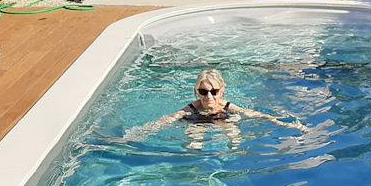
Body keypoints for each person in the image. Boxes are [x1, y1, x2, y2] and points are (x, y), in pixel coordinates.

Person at [124, 69, 308, 142]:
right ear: (197, 91)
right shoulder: (192, 108)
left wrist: (286, 124)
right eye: (203, 91)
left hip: (222, 119)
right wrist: (140, 133)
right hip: (197, 121)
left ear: (222, 90)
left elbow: (255, 114)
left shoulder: (226, 106)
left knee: (235, 139)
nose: (209, 96)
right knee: (195, 144)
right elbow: (168, 119)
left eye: (214, 91)